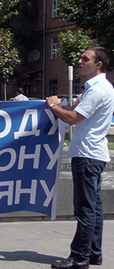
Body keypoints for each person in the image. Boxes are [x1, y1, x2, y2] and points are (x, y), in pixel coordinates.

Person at [47, 46, 114, 269]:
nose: (79, 61)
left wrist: (55, 106)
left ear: (98, 64)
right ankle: (94, 253)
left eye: (85, 59)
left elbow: (74, 118)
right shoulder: (100, 87)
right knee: (93, 207)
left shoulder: (97, 90)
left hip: (87, 155)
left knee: (84, 209)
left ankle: (79, 257)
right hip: (94, 153)